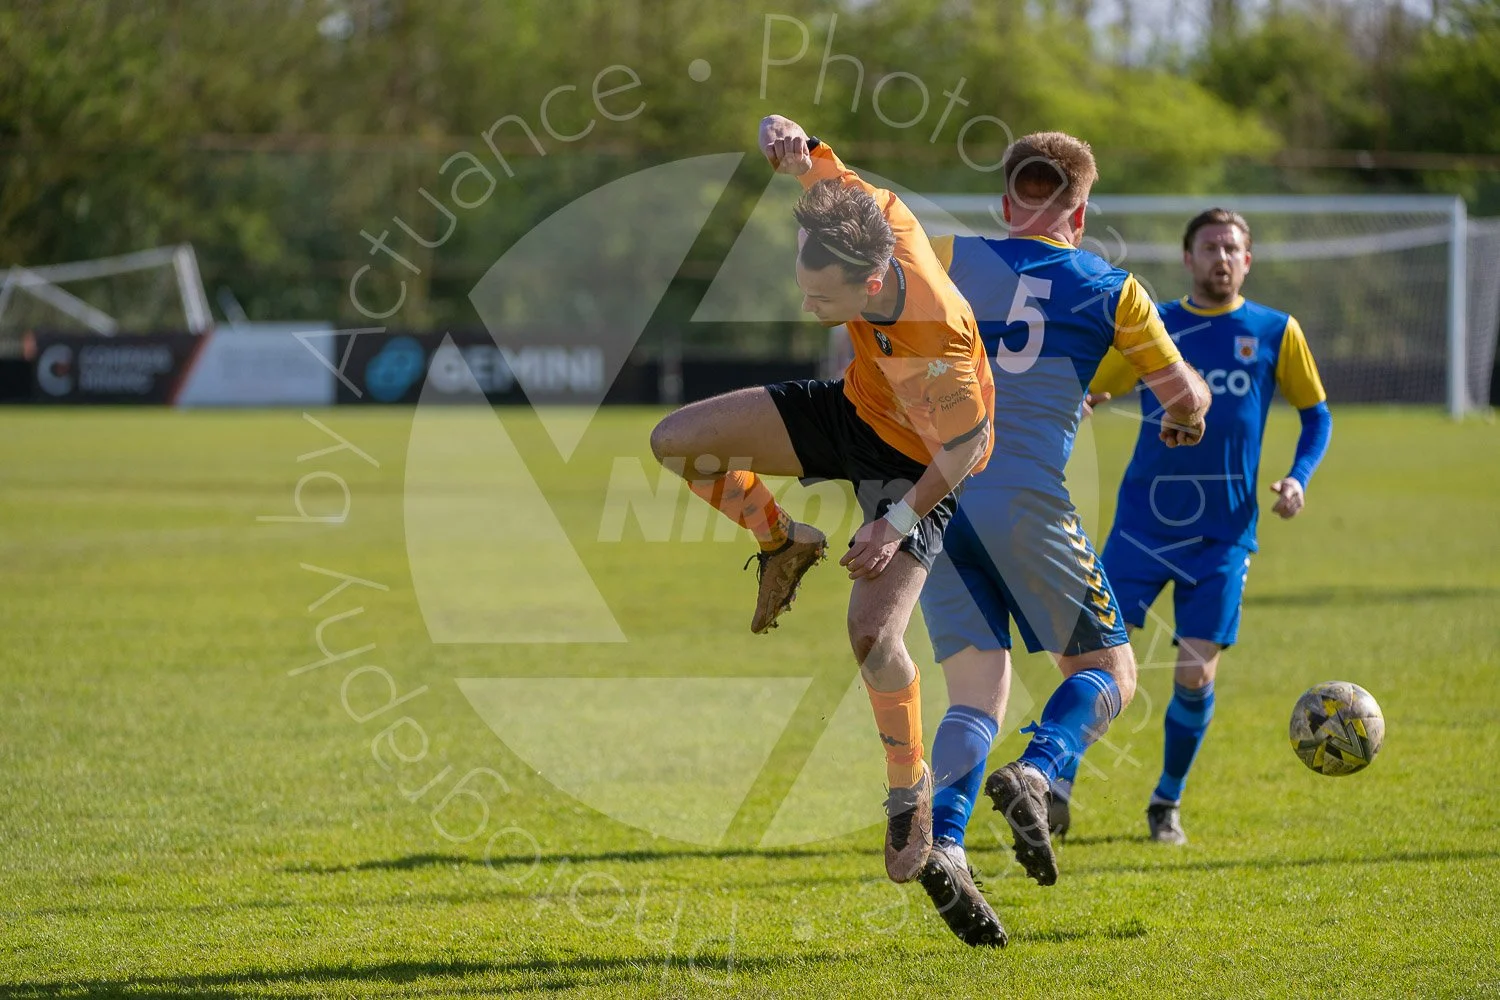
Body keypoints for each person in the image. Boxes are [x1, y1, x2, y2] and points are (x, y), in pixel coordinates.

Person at [649, 115, 995, 888]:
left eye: (818, 296)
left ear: (871, 284)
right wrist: (789, 141)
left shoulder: (935, 335)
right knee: (677, 441)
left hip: (918, 462)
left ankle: (909, 788)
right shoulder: (874, 218)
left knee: (872, 634)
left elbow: (966, 449)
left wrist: (896, 522)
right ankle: (782, 541)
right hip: (852, 409)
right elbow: (821, 170)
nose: (806, 306)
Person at [905, 133, 1211, 946]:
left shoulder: (945, 257)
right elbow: (1183, 398)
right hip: (1027, 502)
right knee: (1111, 672)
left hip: (933, 499)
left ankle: (948, 841)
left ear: (1007, 201)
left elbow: (871, 338)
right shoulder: (1113, 288)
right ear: (1080, 213)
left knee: (975, 693)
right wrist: (1188, 414)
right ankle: (1038, 771)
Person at [1080, 207, 1333, 844]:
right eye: (1210, 247)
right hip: (1143, 524)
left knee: (1195, 674)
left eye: (1232, 248)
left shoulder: (1276, 330)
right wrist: (1075, 401)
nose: (1221, 258)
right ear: (1188, 258)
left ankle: (1166, 801)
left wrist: (1298, 476)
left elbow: (1317, 415)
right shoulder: (1155, 324)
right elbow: (1095, 385)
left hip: (1223, 533)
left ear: (1247, 261)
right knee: (1096, 660)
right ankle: (1051, 785)